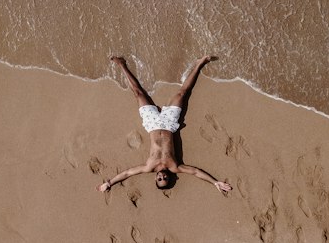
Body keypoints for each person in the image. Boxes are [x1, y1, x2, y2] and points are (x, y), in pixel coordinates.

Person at [98, 55, 233, 194]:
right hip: (169, 124)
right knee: (182, 93)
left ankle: (121, 64)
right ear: (170, 178)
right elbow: (195, 172)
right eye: (165, 179)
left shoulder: (148, 167)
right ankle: (200, 63)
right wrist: (215, 182)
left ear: (155, 179)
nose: (162, 176)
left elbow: (127, 174)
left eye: (159, 179)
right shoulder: (175, 167)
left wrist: (109, 183)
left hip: (152, 124)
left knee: (138, 94)